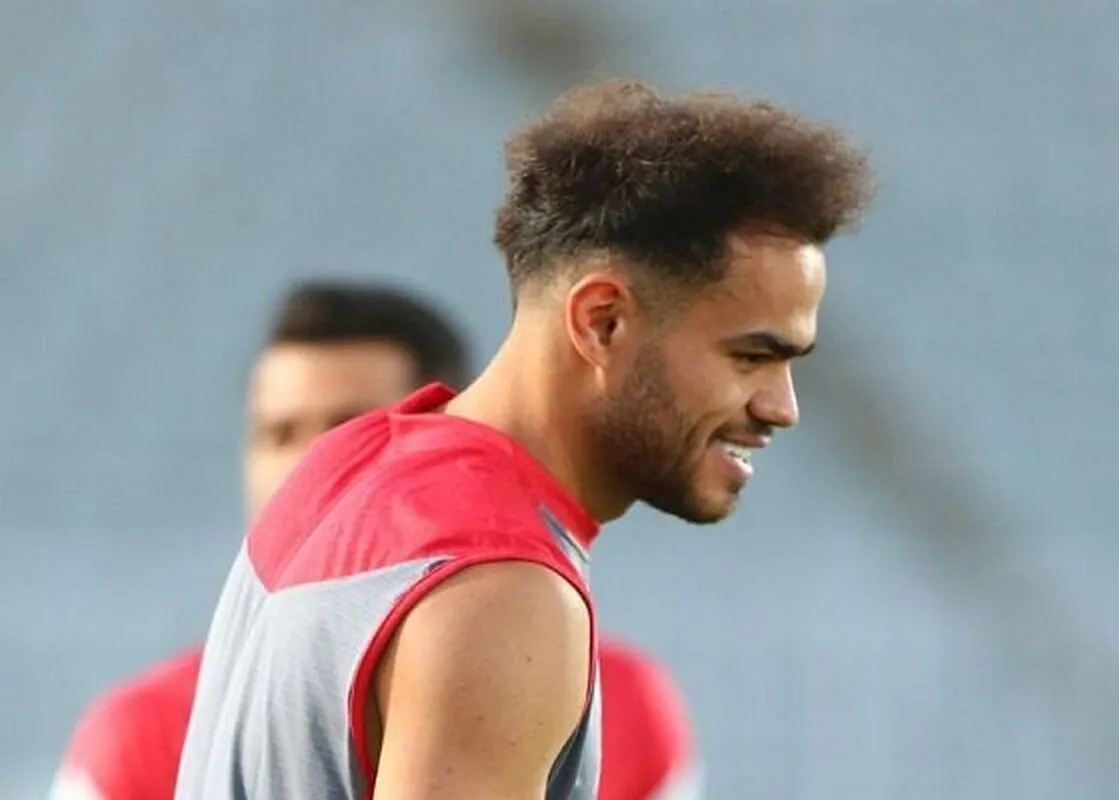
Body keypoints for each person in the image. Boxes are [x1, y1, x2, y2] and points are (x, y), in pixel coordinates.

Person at [176, 78, 875, 800]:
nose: (782, 407)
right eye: (751, 357)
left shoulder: (343, 467)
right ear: (602, 322)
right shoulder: (504, 591)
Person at [50, 281, 701, 800]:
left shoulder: (628, 708)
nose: (309, 462)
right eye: (278, 434)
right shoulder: (138, 735)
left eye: (349, 427)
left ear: (442, 440)